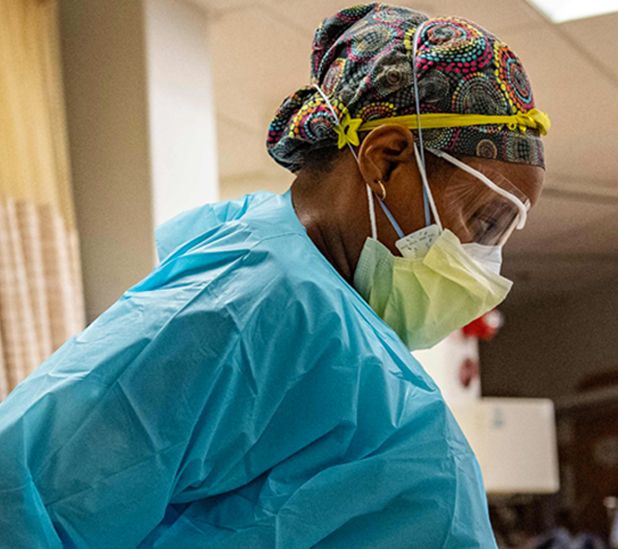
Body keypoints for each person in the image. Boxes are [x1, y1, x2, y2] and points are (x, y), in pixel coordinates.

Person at [0, 4, 549, 547]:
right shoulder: (251, 303)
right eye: (486, 221)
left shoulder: (332, 329)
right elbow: (22, 493)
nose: (485, 260)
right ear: (386, 158)